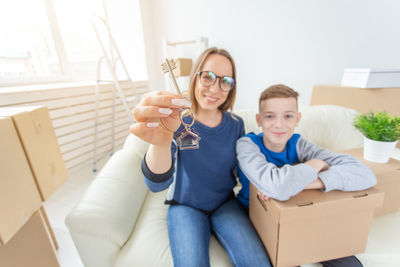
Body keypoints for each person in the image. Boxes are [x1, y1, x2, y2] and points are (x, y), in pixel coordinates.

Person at [130, 47, 271, 267]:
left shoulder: (236, 125)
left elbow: (245, 168)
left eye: (225, 81)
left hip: (225, 203)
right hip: (185, 206)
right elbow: (156, 184)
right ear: (195, 77)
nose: (215, 88)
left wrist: (263, 183)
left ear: (231, 88)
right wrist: (161, 142)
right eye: (208, 77)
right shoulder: (177, 122)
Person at [236, 84, 377, 267]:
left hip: (296, 212)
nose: (279, 124)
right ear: (259, 119)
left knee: (350, 264)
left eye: (288, 116)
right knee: (288, 259)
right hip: (255, 213)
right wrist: (316, 164)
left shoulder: (299, 144)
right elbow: (278, 187)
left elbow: (365, 175)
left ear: (297, 119)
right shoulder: (247, 145)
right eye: (270, 116)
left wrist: (309, 183)